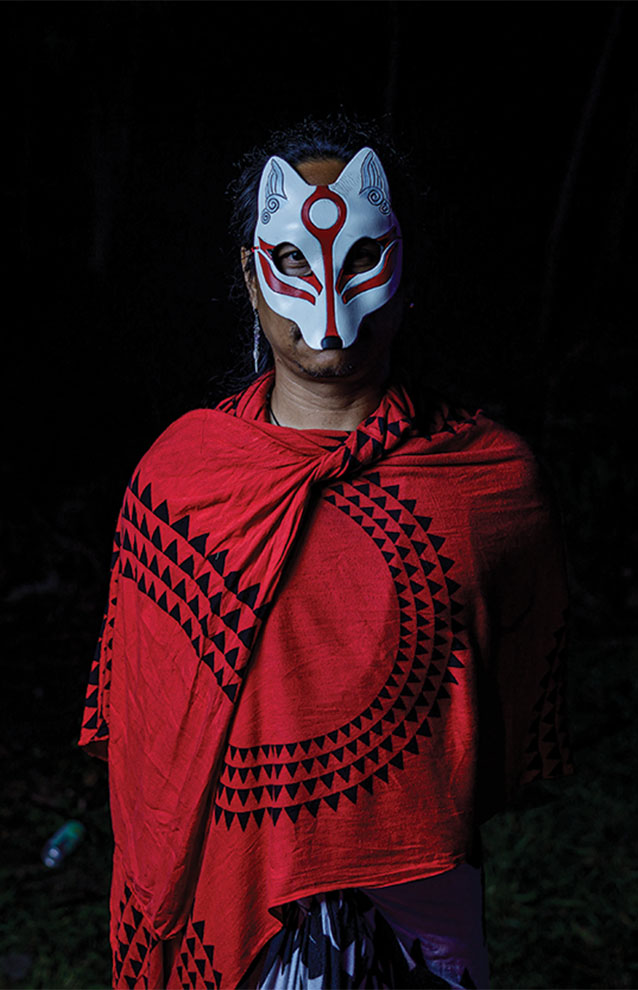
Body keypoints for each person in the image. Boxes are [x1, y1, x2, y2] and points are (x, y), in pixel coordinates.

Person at [79, 117, 573, 990]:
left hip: (422, 903)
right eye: (295, 265)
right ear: (248, 273)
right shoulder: (184, 479)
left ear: (406, 264)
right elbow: (148, 724)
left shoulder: (485, 483)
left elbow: (505, 694)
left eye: (361, 263)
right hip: (230, 898)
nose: (329, 317)